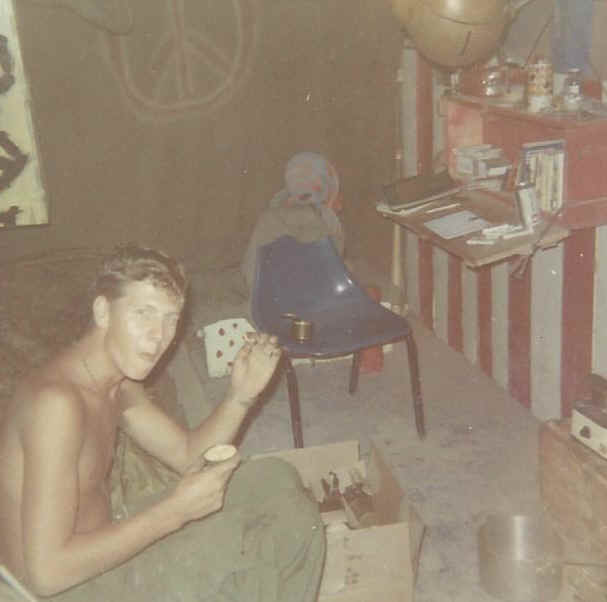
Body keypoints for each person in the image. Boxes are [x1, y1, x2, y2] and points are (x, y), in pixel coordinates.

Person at [0, 244, 325, 601]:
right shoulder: (56, 406)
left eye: (171, 319)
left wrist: (240, 396)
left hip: (104, 546)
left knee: (275, 480)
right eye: (144, 313)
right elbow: (47, 575)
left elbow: (187, 455)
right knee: (257, 550)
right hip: (68, 588)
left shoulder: (118, 383)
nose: (159, 336)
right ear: (103, 311)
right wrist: (175, 512)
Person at [241, 152, 345, 290]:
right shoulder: (318, 221)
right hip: (299, 296)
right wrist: (330, 210)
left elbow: (249, 272)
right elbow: (329, 269)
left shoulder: (270, 215)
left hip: (261, 294)